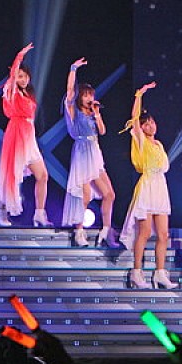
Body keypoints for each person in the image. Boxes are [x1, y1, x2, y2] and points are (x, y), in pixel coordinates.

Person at [118, 81, 177, 289]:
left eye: (152, 122)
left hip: (160, 188)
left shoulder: (158, 144)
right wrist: (139, 95)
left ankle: (160, 273)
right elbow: (134, 119)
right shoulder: (140, 140)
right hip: (147, 186)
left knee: (163, 234)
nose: (150, 126)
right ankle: (137, 272)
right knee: (144, 232)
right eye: (146, 124)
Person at [61, 58, 118, 247]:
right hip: (82, 153)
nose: (89, 98)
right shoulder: (74, 111)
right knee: (83, 196)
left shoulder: (92, 114)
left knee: (109, 194)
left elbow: (102, 131)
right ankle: (79, 231)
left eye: (91, 95)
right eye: (86, 95)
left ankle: (106, 231)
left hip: (95, 154)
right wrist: (73, 69)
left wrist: (97, 114)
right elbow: (70, 91)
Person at [0, 43, 51, 227]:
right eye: (19, 76)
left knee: (42, 175)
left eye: (25, 76)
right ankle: (2, 212)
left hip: (29, 136)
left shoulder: (28, 93)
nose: (22, 79)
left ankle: (39, 214)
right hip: (16, 134)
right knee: (11, 175)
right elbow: (12, 77)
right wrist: (20, 56)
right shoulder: (11, 90)